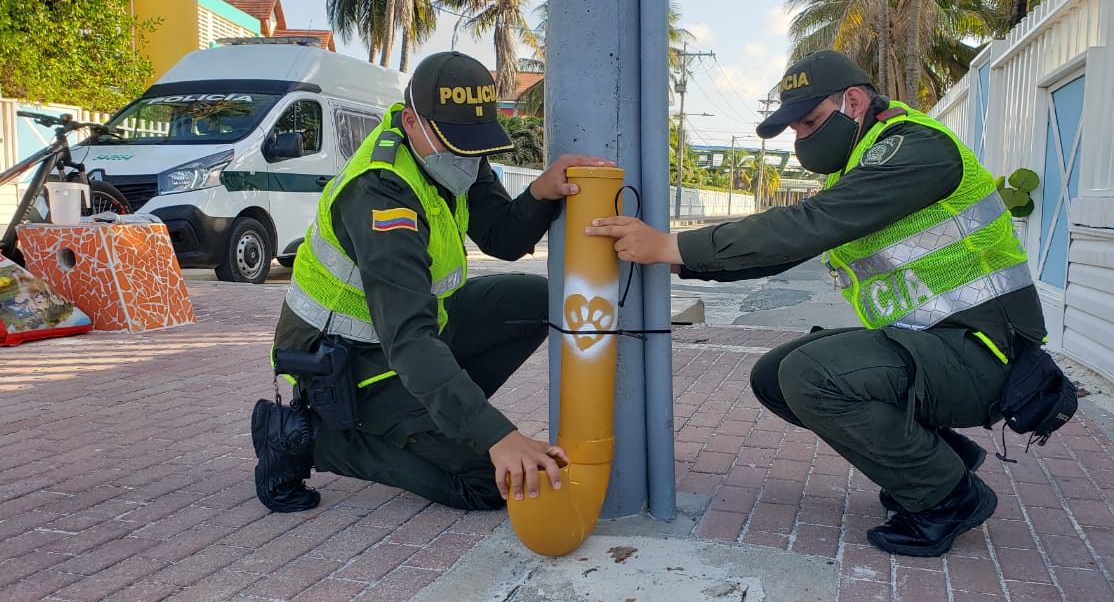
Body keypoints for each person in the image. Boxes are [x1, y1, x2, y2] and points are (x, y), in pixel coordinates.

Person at [586, 50, 1046, 557]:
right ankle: (936, 461)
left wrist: (673, 245)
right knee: (774, 376)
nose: (802, 139)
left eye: (809, 123)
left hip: (986, 353)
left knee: (811, 374)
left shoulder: (915, 149)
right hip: (937, 346)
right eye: (796, 131)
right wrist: (681, 262)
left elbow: (807, 225)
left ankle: (949, 497)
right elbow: (791, 248)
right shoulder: (863, 163)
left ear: (853, 101)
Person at [256, 51, 615, 513]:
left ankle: (440, 417)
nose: (469, 160)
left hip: (408, 336)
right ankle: (315, 440)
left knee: (538, 299)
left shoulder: (450, 148)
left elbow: (501, 237)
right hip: (349, 365)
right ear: (411, 122)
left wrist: (540, 194)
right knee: (490, 483)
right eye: (456, 144)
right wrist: (498, 436)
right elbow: (409, 340)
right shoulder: (382, 197)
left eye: (475, 143)